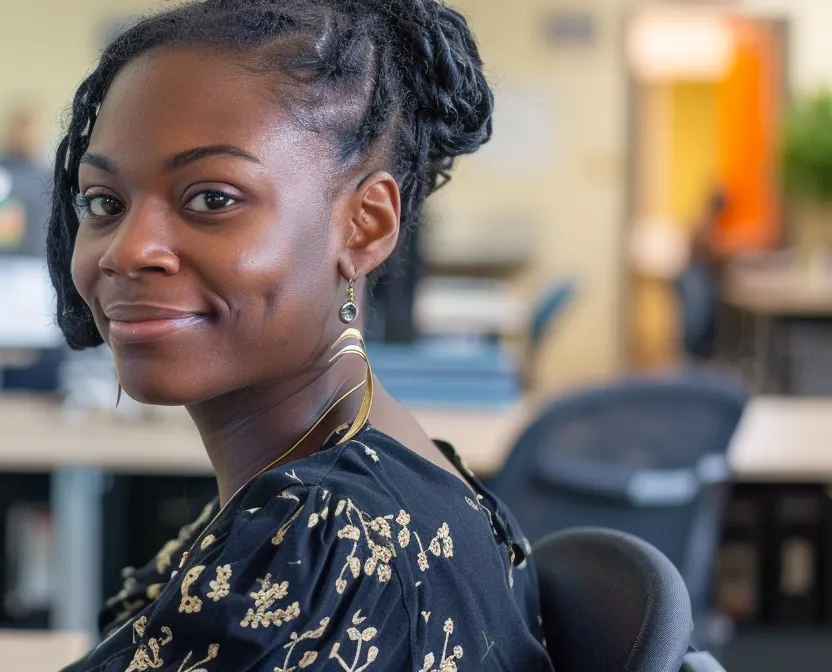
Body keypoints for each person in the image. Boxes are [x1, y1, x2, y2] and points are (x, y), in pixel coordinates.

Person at [45, 1, 553, 670]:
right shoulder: (379, 471)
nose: (127, 251)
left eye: (212, 198)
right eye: (105, 203)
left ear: (365, 226)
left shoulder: (320, 555)